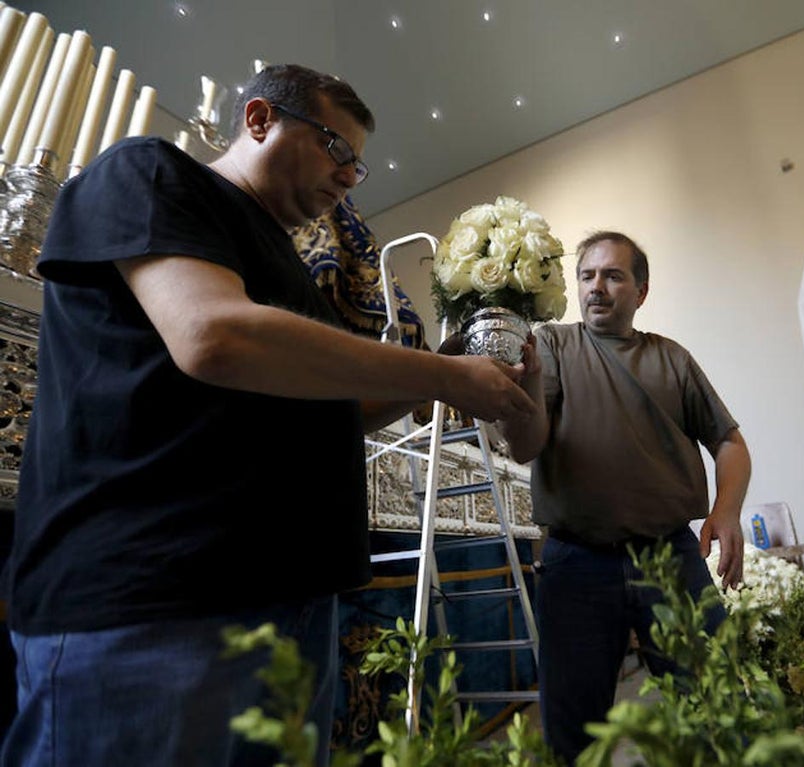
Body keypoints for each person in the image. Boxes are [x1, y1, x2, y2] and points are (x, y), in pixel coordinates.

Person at [0, 64, 536, 767]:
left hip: (283, 605)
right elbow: (214, 335)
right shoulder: (151, 174)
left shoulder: (283, 267)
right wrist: (442, 373)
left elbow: (339, 410)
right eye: (336, 148)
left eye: (360, 165)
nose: (350, 176)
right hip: (159, 607)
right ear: (258, 120)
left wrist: (444, 375)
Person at [499, 230, 752, 763]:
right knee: (575, 734)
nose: (598, 287)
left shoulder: (671, 359)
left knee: (720, 703)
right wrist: (525, 384)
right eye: (588, 275)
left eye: (614, 275)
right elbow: (524, 447)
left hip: (671, 557)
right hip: (575, 563)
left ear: (641, 290)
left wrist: (726, 512)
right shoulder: (552, 345)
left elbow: (728, 441)